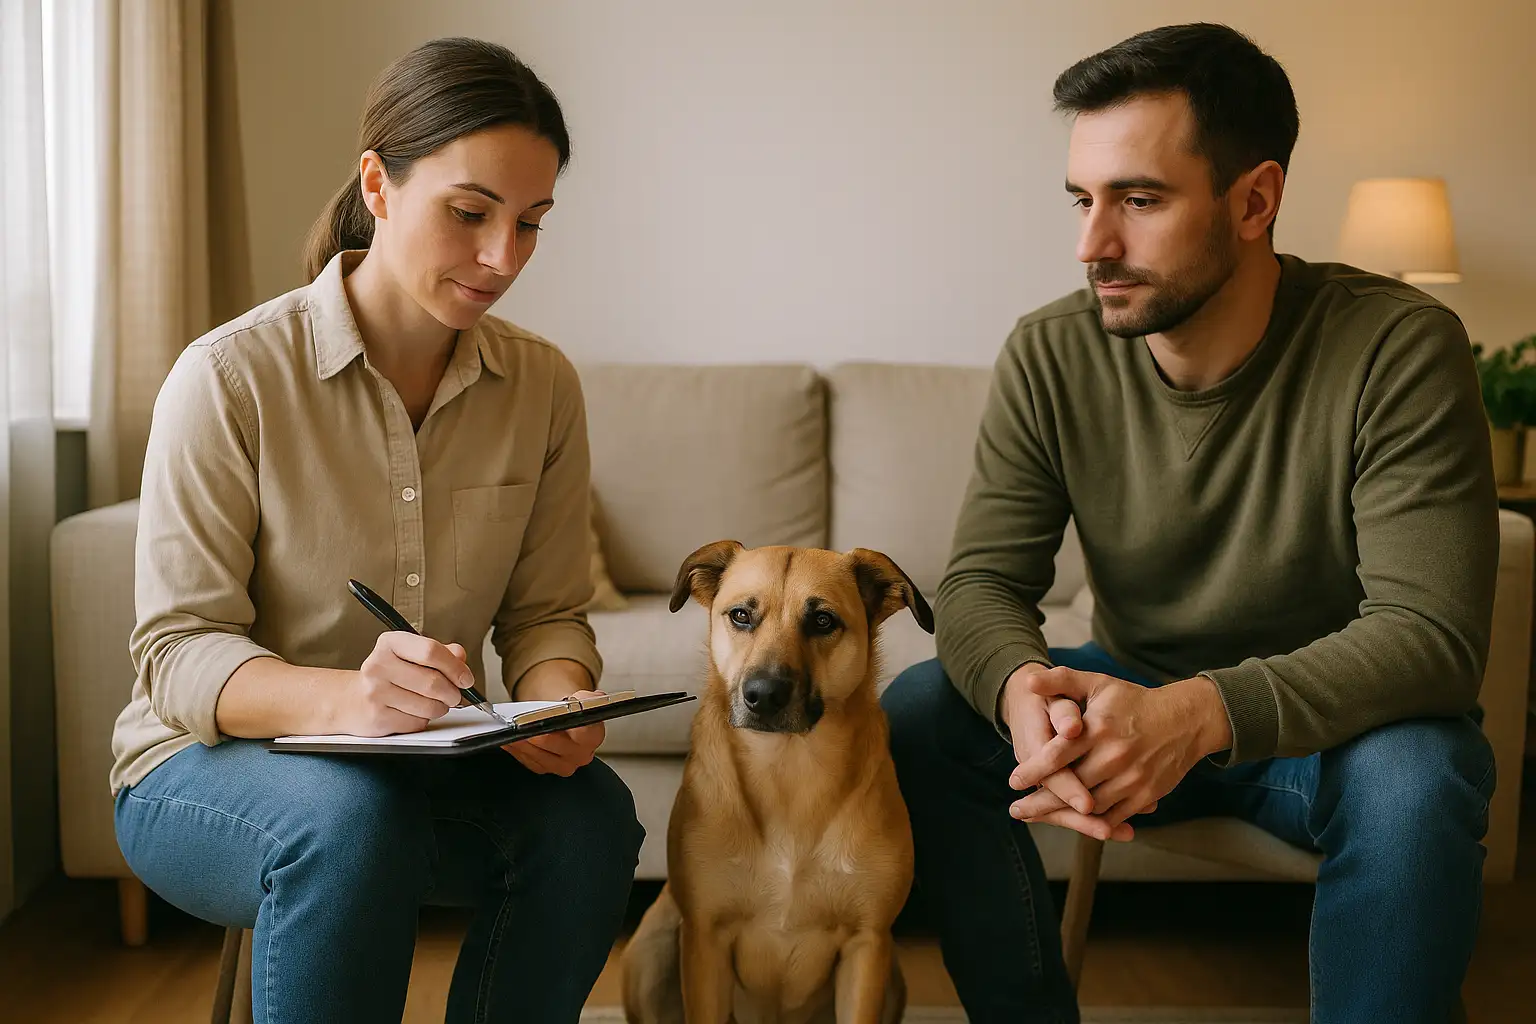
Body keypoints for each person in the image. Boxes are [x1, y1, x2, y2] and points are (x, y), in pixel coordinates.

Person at [881, 22, 1497, 1024]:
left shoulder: (1398, 347)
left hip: (1330, 737)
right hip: (1124, 697)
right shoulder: (1051, 352)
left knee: (1421, 775)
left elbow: (1431, 637)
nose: (1092, 245)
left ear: (1254, 200)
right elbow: (984, 581)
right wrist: (1023, 690)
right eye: (1083, 200)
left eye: (1140, 200)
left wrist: (1196, 714)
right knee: (921, 712)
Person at [110, 36, 644, 1023]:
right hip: (202, 772)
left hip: (419, 774)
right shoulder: (230, 377)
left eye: (531, 223)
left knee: (591, 817)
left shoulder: (542, 385)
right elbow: (178, 653)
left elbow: (545, 615)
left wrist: (555, 703)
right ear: (377, 185)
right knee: (350, 821)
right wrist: (349, 700)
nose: (504, 257)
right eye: (470, 213)